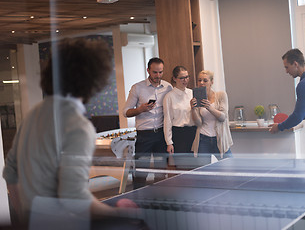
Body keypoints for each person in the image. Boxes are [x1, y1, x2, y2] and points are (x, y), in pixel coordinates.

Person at [2, 38, 137, 225]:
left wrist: (27, 219)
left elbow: (10, 175)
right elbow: (74, 199)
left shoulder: (33, 115)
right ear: (93, 79)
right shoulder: (78, 126)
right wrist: (121, 216)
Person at [123, 57, 172, 189]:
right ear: (148, 71)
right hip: (144, 135)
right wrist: (140, 109)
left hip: (161, 135)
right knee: (140, 171)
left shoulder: (168, 87)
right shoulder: (137, 88)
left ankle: (159, 200)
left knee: (161, 172)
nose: (158, 76)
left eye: (161, 72)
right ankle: (137, 199)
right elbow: (125, 112)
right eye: (155, 72)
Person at [190, 70, 233, 161]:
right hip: (203, 138)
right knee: (203, 171)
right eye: (199, 80)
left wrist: (209, 107)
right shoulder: (197, 98)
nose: (201, 83)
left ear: (211, 82)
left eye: (205, 80)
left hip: (219, 138)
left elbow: (223, 117)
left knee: (229, 167)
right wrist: (193, 109)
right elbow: (198, 123)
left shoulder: (221, 95)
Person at [163, 66, 197, 168]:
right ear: (174, 78)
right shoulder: (169, 97)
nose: (185, 80)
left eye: (187, 77)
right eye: (182, 78)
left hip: (194, 132)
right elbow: (167, 120)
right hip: (179, 134)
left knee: (196, 166)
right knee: (182, 167)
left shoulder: (192, 93)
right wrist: (169, 142)